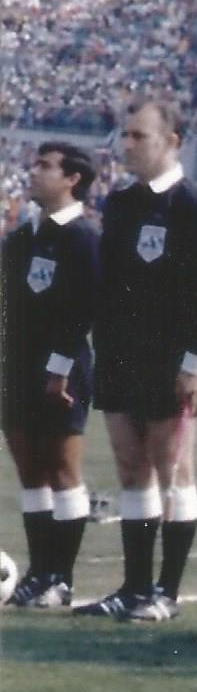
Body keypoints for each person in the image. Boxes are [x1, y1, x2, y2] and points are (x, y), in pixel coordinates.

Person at [79, 99, 197, 622]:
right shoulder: (119, 203)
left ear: (172, 141)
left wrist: (195, 364)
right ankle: (134, 588)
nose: (128, 145)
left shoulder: (192, 205)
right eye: (126, 135)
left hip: (168, 359)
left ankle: (168, 592)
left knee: (173, 469)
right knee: (130, 468)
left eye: (140, 136)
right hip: (118, 353)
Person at [3, 140, 102, 608]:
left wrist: (59, 368)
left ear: (71, 179)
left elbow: (82, 310)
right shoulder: (23, 237)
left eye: (45, 166)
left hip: (60, 371)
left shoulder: (81, 237)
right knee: (31, 474)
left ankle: (61, 579)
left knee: (63, 472)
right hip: (15, 368)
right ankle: (39, 575)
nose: (34, 171)